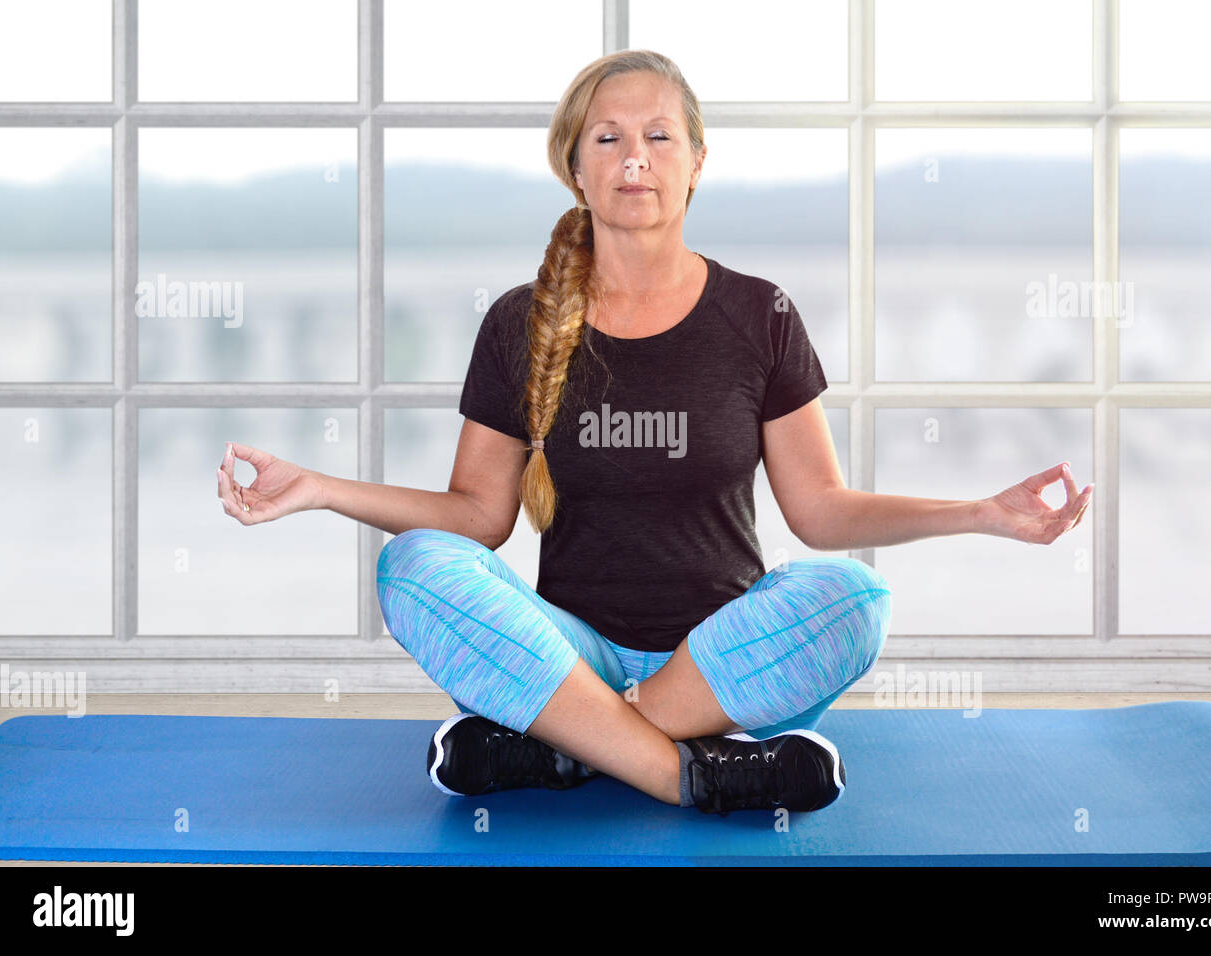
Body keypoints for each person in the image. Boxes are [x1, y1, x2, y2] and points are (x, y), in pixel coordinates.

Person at [215, 50, 1094, 816]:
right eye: (608, 138)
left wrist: (978, 512)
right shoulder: (519, 324)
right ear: (577, 167)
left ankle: (568, 748)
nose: (635, 158)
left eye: (659, 137)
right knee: (413, 565)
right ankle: (691, 776)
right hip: (566, 651)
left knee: (857, 602)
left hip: (722, 663)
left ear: (696, 163)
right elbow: (477, 518)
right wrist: (322, 489)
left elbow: (821, 513)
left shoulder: (760, 313)